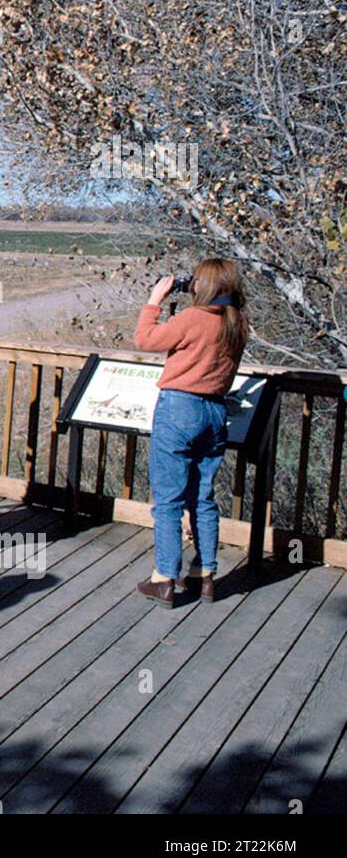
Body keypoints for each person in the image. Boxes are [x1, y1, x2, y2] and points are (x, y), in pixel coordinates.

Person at [134, 258, 249, 608]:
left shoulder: (192, 318)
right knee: (202, 496)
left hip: (179, 408)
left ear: (206, 285)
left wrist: (155, 300)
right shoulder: (238, 323)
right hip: (214, 411)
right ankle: (205, 575)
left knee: (168, 499)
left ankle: (164, 578)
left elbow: (145, 339)